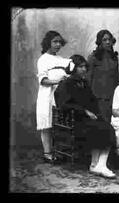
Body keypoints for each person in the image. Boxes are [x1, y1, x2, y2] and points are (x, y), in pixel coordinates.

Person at [54, 55, 116, 178]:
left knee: (107, 126)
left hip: (86, 119)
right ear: (73, 68)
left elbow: (92, 101)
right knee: (100, 128)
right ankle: (97, 165)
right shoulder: (66, 84)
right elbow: (64, 105)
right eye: (80, 67)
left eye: (84, 66)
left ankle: (97, 164)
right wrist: (85, 111)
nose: (83, 69)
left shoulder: (84, 83)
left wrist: (96, 113)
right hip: (73, 121)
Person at [36, 30, 71, 163]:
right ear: (48, 43)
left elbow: (73, 68)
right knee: (47, 124)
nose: (57, 44)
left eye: (59, 42)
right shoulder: (43, 59)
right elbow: (43, 80)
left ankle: (59, 151)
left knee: (59, 124)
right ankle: (47, 153)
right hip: (47, 94)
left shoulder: (62, 60)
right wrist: (58, 81)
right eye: (54, 42)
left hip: (60, 94)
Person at [86, 29, 119, 123]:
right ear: (99, 42)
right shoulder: (93, 57)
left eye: (109, 39)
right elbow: (88, 79)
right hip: (97, 98)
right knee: (99, 124)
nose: (108, 42)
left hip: (111, 98)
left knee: (110, 123)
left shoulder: (114, 58)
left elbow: (116, 79)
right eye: (104, 40)